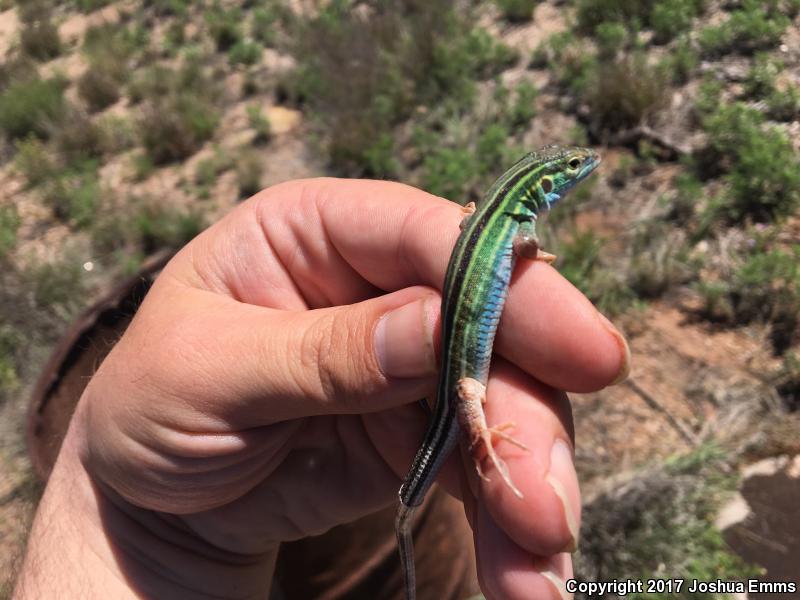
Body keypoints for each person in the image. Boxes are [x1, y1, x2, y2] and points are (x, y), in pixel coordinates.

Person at [14, 179, 629, 599]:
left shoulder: (500, 220)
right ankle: (475, 454)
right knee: (468, 404)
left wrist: (143, 534)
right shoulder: (508, 225)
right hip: (454, 388)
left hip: (197, 535)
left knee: (461, 417)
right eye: (572, 171)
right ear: (543, 188)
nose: (580, 174)